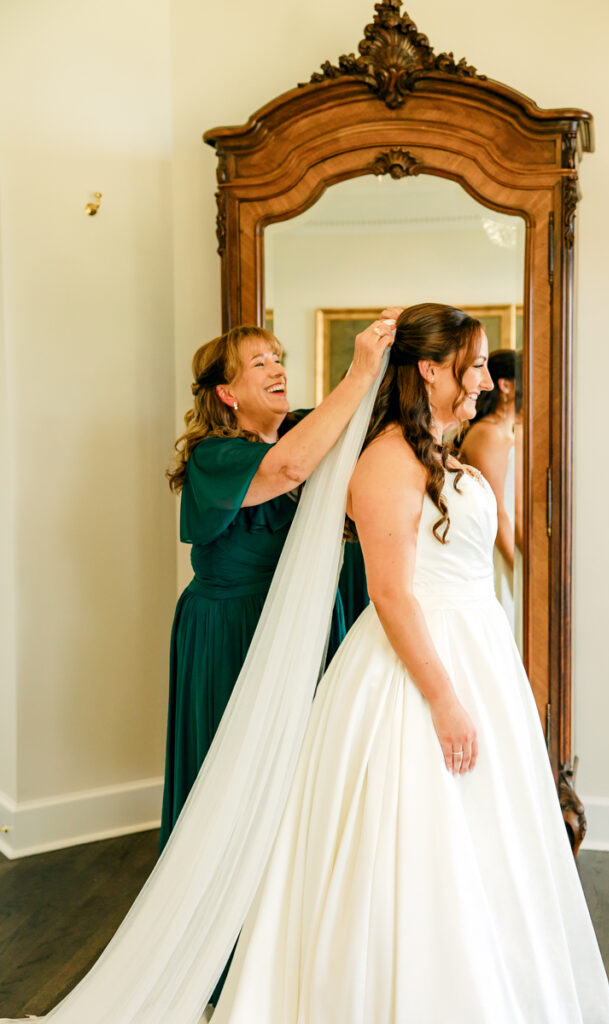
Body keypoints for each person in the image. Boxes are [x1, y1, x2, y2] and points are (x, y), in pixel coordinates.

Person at [211, 305, 609, 1022]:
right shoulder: (386, 459)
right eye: (474, 365)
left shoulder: (446, 454)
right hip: (413, 676)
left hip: (476, 655)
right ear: (428, 368)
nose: (487, 382)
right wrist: (444, 699)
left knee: (489, 845)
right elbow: (391, 593)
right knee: (412, 848)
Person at [159, 317, 397, 853]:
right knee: (236, 763)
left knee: (304, 761)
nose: (277, 368)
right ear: (228, 393)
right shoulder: (213, 457)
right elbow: (287, 470)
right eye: (259, 363)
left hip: (301, 617)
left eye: (278, 357)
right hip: (231, 626)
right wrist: (358, 371)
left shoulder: (303, 430)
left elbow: (371, 418)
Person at [460, 347, 523, 637]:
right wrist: (520, 571)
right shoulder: (488, 434)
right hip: (498, 549)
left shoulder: (510, 431)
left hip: (514, 541)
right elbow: (498, 511)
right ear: (507, 385)